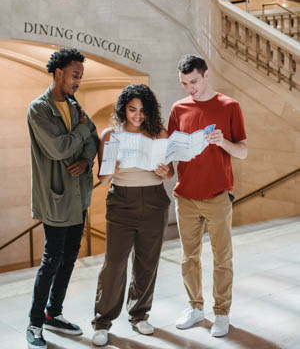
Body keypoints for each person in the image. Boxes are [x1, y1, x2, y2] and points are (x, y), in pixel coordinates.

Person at [168, 54, 247, 337]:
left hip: (217, 195)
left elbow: (243, 150)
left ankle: (222, 313)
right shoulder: (178, 109)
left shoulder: (229, 106)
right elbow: (172, 150)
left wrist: (223, 141)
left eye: (194, 82)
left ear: (206, 75)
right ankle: (195, 308)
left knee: (222, 258)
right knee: (189, 258)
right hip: (185, 196)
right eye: (185, 83)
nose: (190, 88)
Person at [26, 48, 98, 349]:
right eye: (75, 75)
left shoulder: (73, 102)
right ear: (58, 73)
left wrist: (85, 161)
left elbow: (92, 137)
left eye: (80, 76)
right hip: (56, 198)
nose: (78, 81)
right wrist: (81, 131)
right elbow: (57, 148)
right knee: (51, 258)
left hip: (78, 195)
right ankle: (34, 322)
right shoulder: (38, 109)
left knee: (70, 257)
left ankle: (53, 314)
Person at [91, 84, 174, 346]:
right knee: (114, 264)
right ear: (123, 109)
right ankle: (102, 321)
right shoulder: (110, 136)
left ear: (150, 111)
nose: (137, 115)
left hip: (154, 200)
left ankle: (139, 315)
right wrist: (110, 169)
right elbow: (102, 179)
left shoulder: (160, 133)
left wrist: (165, 172)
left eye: (142, 110)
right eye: (132, 109)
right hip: (122, 202)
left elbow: (170, 172)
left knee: (147, 262)